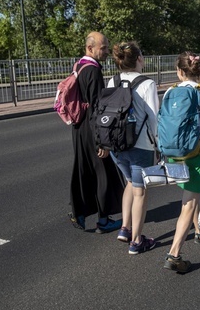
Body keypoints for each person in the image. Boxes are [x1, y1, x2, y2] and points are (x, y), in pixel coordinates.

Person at [163, 51, 200, 273]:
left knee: (190, 192)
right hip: (197, 152)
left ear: (179, 71)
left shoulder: (170, 91)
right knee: (189, 202)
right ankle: (174, 252)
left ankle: (199, 230)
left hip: (174, 152)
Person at [68, 32, 125, 233]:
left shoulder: (79, 65)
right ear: (90, 48)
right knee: (104, 173)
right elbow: (97, 108)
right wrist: (103, 141)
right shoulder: (92, 70)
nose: (107, 51)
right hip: (92, 129)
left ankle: (79, 212)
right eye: (103, 48)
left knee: (84, 170)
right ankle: (103, 220)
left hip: (79, 128)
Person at [107, 42, 159, 254]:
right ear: (138, 59)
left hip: (116, 145)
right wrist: (159, 146)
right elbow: (154, 118)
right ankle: (137, 241)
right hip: (141, 146)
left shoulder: (113, 80)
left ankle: (124, 228)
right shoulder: (147, 84)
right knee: (140, 192)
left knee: (129, 183)